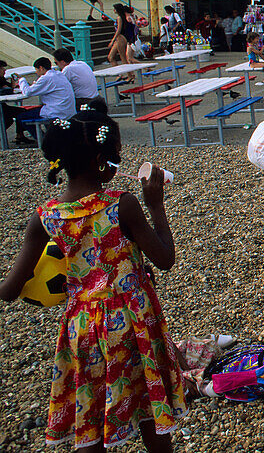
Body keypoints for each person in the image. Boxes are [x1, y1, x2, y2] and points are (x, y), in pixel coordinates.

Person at [0, 102, 188, 450]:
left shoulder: (45, 217)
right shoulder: (122, 204)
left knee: (91, 405)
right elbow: (164, 259)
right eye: (115, 155)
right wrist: (156, 204)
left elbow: (9, 290)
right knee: (149, 404)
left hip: (81, 326)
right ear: (101, 160)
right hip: (131, 322)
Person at [13, 57, 76, 145]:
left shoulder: (46, 78)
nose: (36, 72)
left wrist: (21, 80)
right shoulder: (58, 74)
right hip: (67, 110)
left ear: (41, 68)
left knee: (21, 116)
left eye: (36, 69)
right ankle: (48, 137)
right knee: (34, 111)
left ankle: (43, 141)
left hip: (57, 111)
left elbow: (27, 92)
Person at [108, 3, 138, 70]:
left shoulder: (120, 18)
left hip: (121, 37)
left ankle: (130, 75)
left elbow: (118, 30)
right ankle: (120, 74)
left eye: (114, 9)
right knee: (111, 57)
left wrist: (112, 40)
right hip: (119, 38)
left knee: (123, 58)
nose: (113, 10)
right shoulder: (122, 17)